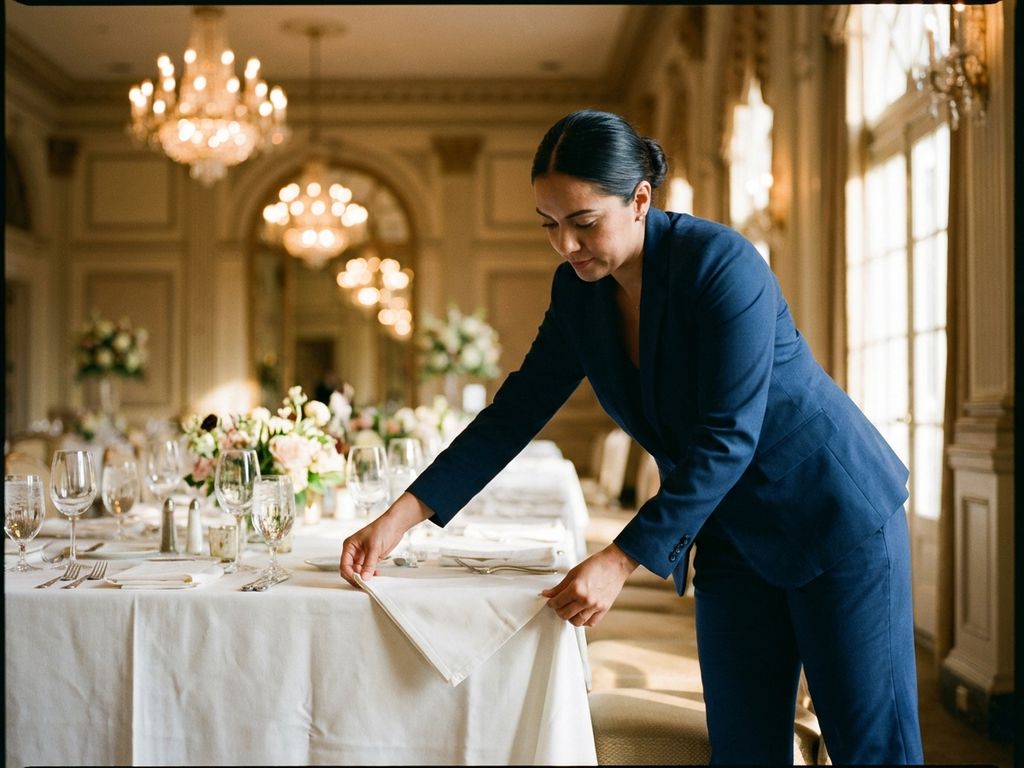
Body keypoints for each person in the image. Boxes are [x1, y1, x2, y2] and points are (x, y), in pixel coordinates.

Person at [340, 109, 924, 765]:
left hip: (832, 515)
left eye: (584, 222)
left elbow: (727, 436)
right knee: (742, 751)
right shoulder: (578, 293)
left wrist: (620, 559)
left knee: (873, 750)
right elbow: (515, 412)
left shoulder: (721, 264)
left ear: (640, 199)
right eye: (550, 225)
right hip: (727, 533)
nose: (565, 245)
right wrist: (401, 516)